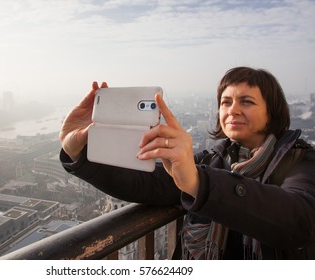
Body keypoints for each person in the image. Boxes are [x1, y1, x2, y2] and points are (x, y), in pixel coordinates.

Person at [59, 66, 315, 259]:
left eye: (246, 102)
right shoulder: (212, 160)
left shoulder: (300, 159)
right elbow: (145, 183)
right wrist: (80, 153)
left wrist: (199, 183)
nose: (232, 110)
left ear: (272, 111)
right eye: (225, 102)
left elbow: (299, 222)